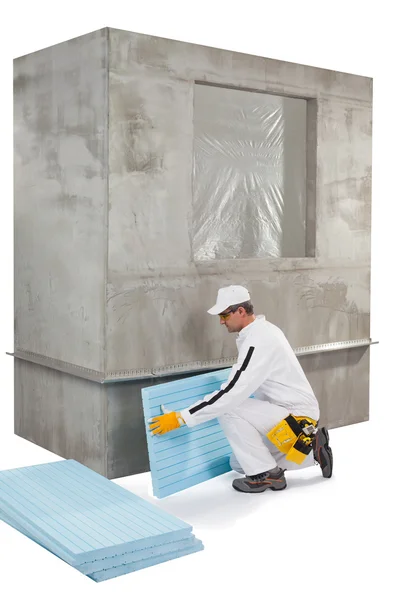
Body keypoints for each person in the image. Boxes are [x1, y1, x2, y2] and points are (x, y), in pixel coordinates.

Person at [149, 285, 333, 493]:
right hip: (287, 415)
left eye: (224, 315)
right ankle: (313, 449)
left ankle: (268, 476)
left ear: (241, 311)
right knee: (238, 463)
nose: (221, 321)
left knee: (229, 407)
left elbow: (232, 393)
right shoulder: (262, 332)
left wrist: (181, 418)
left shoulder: (259, 340)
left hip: (297, 416)